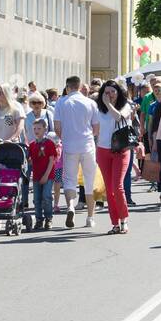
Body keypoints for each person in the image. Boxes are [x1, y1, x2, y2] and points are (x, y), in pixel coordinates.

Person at [52, 77, 101, 228]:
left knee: (70, 180)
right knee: (89, 181)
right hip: (87, 145)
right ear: (79, 87)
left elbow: (57, 128)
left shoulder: (61, 102)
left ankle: (71, 206)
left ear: (67, 87)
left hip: (69, 145)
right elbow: (96, 128)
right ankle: (90, 217)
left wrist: (66, 138)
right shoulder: (91, 102)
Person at [96, 79, 135, 234]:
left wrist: (108, 104)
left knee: (118, 187)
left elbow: (119, 117)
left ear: (118, 92)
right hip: (103, 150)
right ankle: (115, 223)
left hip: (121, 150)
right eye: (107, 92)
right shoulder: (98, 108)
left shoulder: (126, 105)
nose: (110, 95)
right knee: (109, 189)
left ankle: (124, 219)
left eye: (113, 91)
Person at [28, 118, 58, 229]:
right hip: (36, 175)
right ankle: (39, 219)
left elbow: (51, 160)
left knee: (46, 196)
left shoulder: (49, 143)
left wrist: (46, 175)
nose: (36, 130)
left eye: (39, 128)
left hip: (48, 175)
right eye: (35, 128)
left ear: (45, 129)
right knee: (37, 199)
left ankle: (48, 218)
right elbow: (30, 160)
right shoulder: (32, 145)